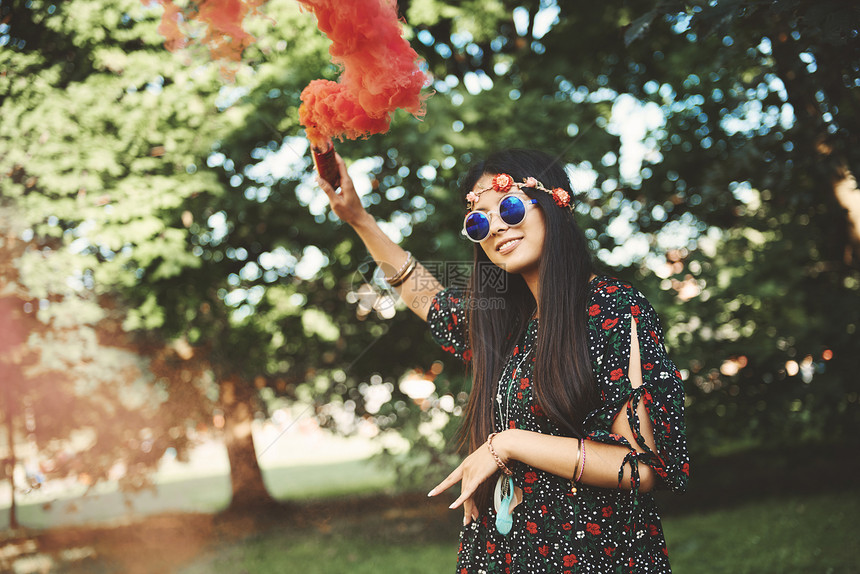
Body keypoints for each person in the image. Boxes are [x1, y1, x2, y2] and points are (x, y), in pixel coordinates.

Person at [317, 148, 689, 573]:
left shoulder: (613, 309)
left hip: (592, 556)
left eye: (508, 207)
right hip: (503, 554)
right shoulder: (506, 324)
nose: (494, 227)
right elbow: (426, 296)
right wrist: (359, 219)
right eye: (478, 221)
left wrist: (507, 443)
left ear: (556, 202)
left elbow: (640, 467)